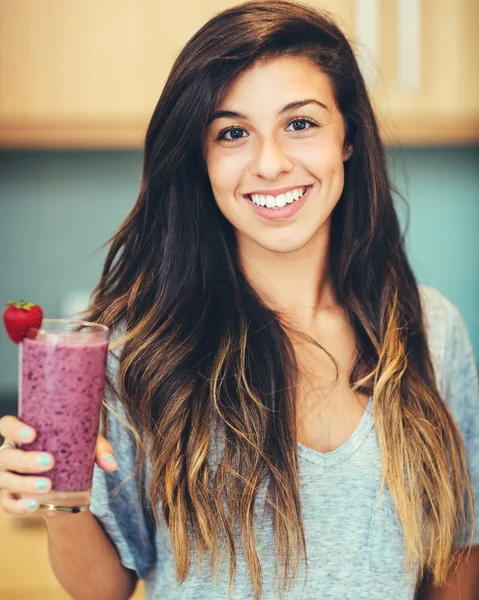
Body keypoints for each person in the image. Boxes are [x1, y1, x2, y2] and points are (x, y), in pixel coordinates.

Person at [0, 1, 478, 598]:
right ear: (201, 158)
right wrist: (57, 499)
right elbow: (105, 588)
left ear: (348, 137)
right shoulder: (140, 342)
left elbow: (455, 558)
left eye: (300, 123)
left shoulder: (431, 330)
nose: (271, 163)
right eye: (232, 133)